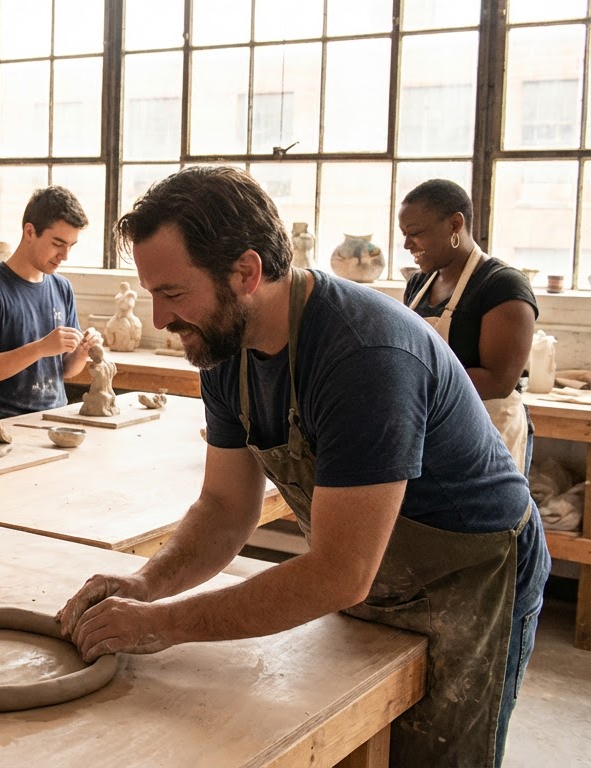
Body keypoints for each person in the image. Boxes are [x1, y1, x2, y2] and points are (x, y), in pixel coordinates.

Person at [57, 166, 550, 767]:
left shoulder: (365, 356)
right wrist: (148, 584)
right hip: (374, 565)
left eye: (174, 293)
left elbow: (342, 571)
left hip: (471, 572)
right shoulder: (223, 347)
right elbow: (225, 506)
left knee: (434, 757)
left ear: (246, 272)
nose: (161, 319)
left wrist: (166, 623)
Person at [400, 179, 538, 473]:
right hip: (435, 426)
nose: (406, 244)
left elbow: (499, 381)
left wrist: (410, 386)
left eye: (415, 233)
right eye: (404, 234)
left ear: (454, 224)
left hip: (488, 431)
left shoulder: (501, 285)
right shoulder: (419, 284)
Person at [0, 186, 101, 418]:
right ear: (29, 232)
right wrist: (41, 348)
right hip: (4, 423)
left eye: (70, 246)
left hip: (54, 418)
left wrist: (82, 353)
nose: (65, 256)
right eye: (57, 243)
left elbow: (64, 369)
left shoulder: (62, 288)